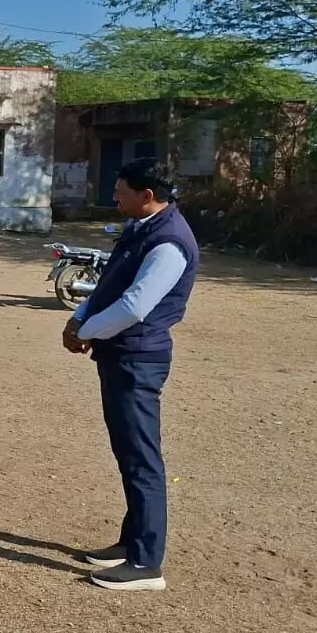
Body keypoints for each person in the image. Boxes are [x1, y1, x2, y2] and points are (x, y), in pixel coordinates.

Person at [63, 157, 199, 592]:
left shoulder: (169, 242)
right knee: (128, 454)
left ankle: (145, 563)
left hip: (138, 359)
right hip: (120, 355)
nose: (114, 196)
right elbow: (110, 286)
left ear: (148, 195)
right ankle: (131, 541)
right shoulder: (140, 229)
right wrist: (80, 316)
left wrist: (86, 330)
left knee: (142, 459)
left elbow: (135, 306)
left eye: (121, 191)